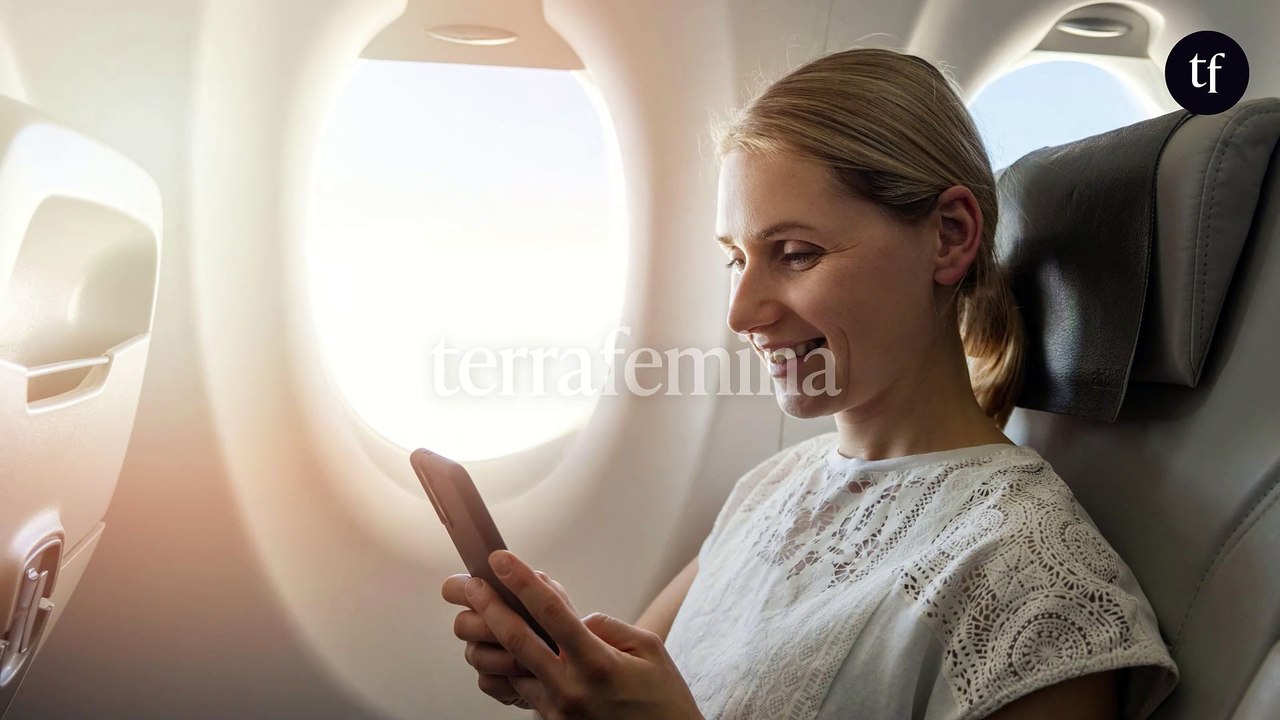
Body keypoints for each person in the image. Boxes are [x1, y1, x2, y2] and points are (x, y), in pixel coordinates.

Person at [440, 47, 1179, 719]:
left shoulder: (1035, 583)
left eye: (794, 253)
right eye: (736, 258)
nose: (741, 314)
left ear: (950, 236)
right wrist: (564, 676)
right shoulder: (770, 489)